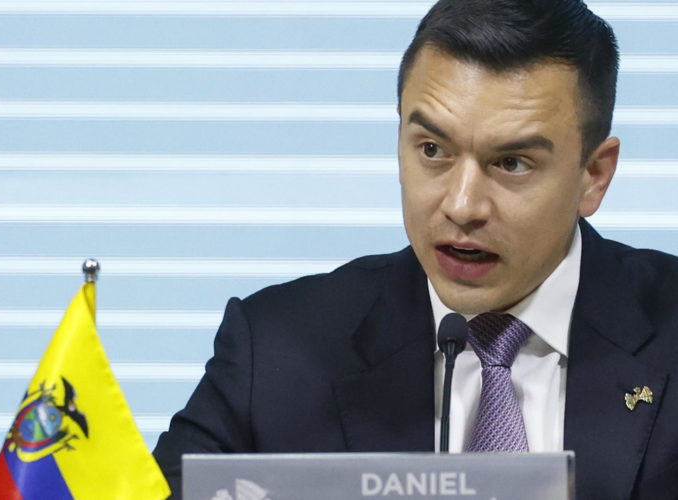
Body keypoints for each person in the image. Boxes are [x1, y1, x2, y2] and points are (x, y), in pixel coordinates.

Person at [154, 1, 678, 498]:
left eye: (512, 163)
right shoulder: (275, 351)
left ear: (594, 175)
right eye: (432, 150)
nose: (463, 205)